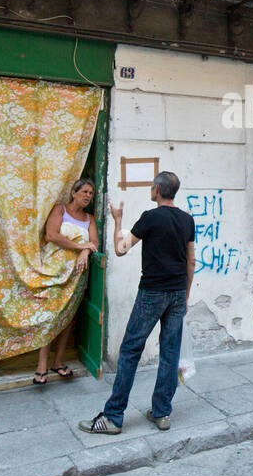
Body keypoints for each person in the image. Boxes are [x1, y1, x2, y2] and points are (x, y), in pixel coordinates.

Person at [79, 171, 195, 435]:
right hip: (177, 292)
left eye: (152, 186)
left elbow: (121, 249)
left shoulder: (149, 218)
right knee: (170, 353)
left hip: (152, 292)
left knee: (131, 350)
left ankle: (113, 417)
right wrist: (185, 296)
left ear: (156, 189)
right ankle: (162, 412)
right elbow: (191, 262)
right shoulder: (188, 220)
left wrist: (117, 221)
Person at [33, 178, 99, 384]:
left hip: (77, 274)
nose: (88, 196)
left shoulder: (89, 218)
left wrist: (86, 251)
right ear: (74, 192)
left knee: (68, 317)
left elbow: (94, 242)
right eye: (85, 192)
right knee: (50, 315)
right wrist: (80, 247)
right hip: (54, 271)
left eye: (91, 193)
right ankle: (41, 364)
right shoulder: (59, 210)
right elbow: (51, 235)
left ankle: (58, 361)